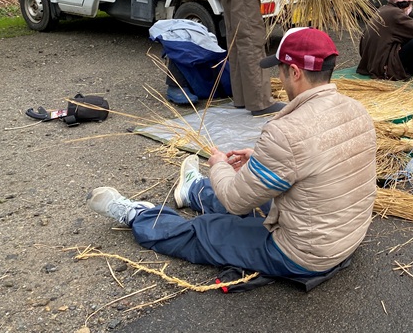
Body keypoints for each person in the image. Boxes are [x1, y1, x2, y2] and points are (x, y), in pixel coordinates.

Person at [87, 27, 377, 283]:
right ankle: (193, 191)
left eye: (280, 69)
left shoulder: (287, 132)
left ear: (295, 72)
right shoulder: (357, 111)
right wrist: (259, 158)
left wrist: (218, 166)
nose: (279, 76)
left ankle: (135, 214)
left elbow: (236, 202)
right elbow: (313, 165)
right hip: (347, 236)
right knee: (254, 189)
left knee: (207, 231)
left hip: (305, 254)